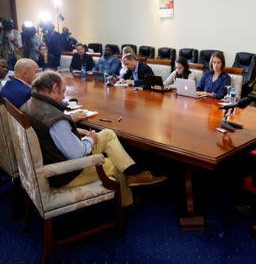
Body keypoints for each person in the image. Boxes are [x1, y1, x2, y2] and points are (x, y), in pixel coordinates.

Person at [21, 71, 167, 207]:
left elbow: (49, 133)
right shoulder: (55, 119)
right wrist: (90, 139)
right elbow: (77, 154)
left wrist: (75, 131)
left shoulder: (30, 104)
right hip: (65, 173)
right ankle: (126, 206)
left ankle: (134, 174)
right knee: (113, 163)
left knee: (108, 133)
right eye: (63, 91)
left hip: (53, 156)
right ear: (54, 88)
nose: (64, 96)